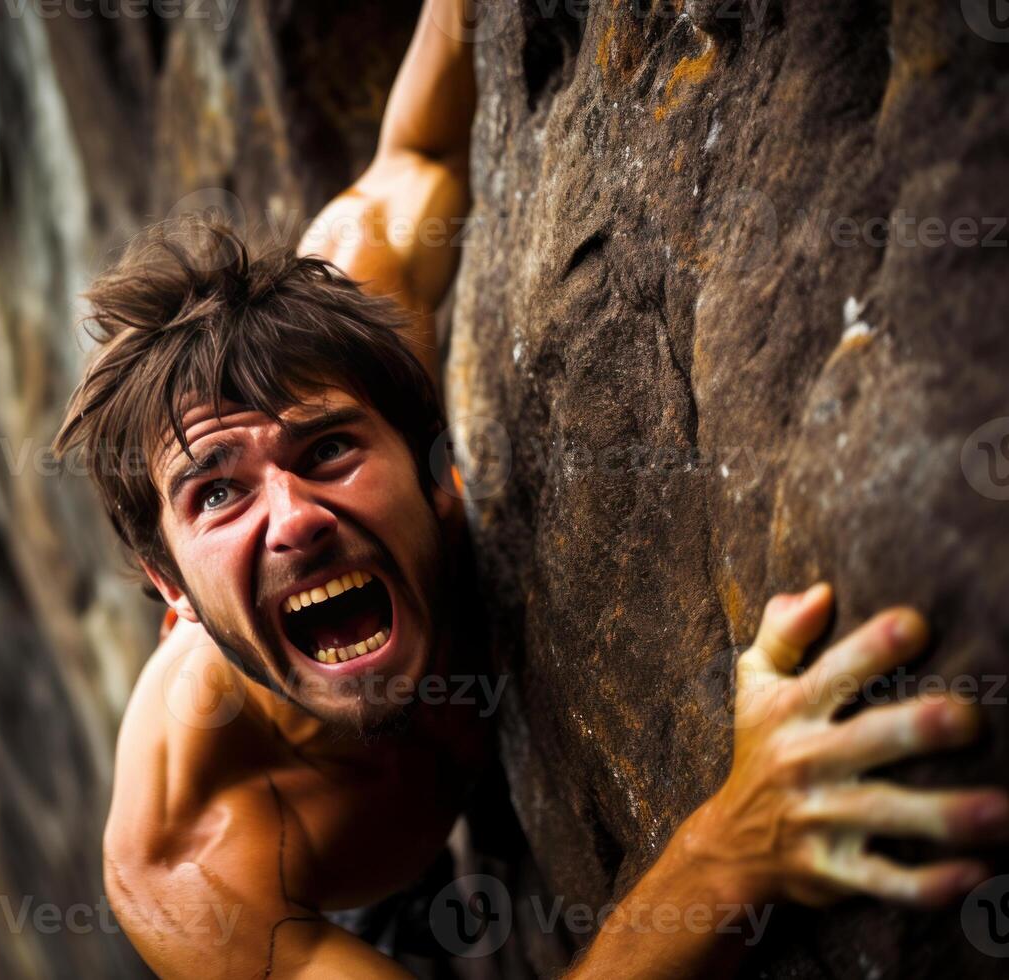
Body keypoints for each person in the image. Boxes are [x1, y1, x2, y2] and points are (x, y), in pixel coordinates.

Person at [51, 1, 1009, 974]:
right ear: (167, 585)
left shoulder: (360, 305)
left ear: (430, 455)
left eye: (329, 450)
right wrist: (732, 846)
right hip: (365, 909)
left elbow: (419, 147)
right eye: (218, 494)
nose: (294, 519)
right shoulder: (189, 858)